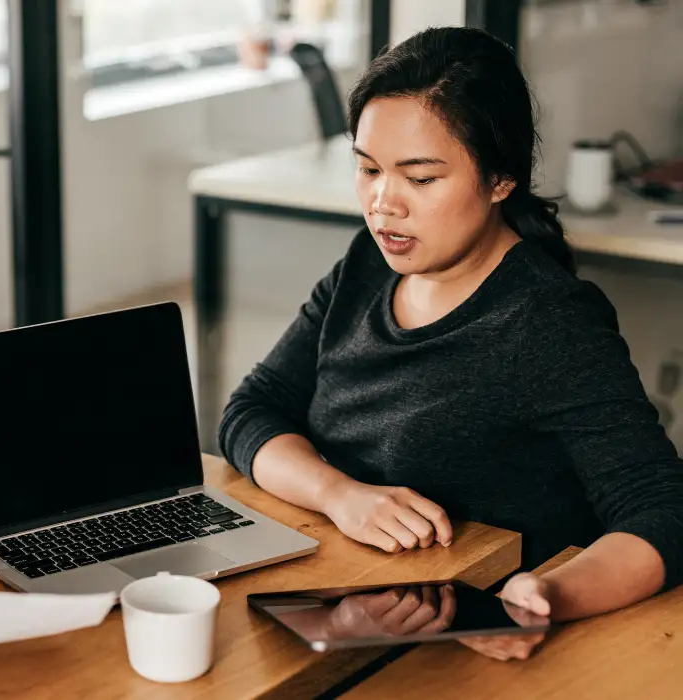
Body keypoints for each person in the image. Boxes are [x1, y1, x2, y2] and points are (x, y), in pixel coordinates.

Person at [219, 26, 683, 661]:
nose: (383, 204)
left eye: (421, 177)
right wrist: (339, 496)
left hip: (471, 644)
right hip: (342, 598)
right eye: (368, 168)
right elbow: (252, 410)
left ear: (499, 179)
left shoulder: (548, 322)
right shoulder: (367, 264)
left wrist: (547, 596)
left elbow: (662, 510)